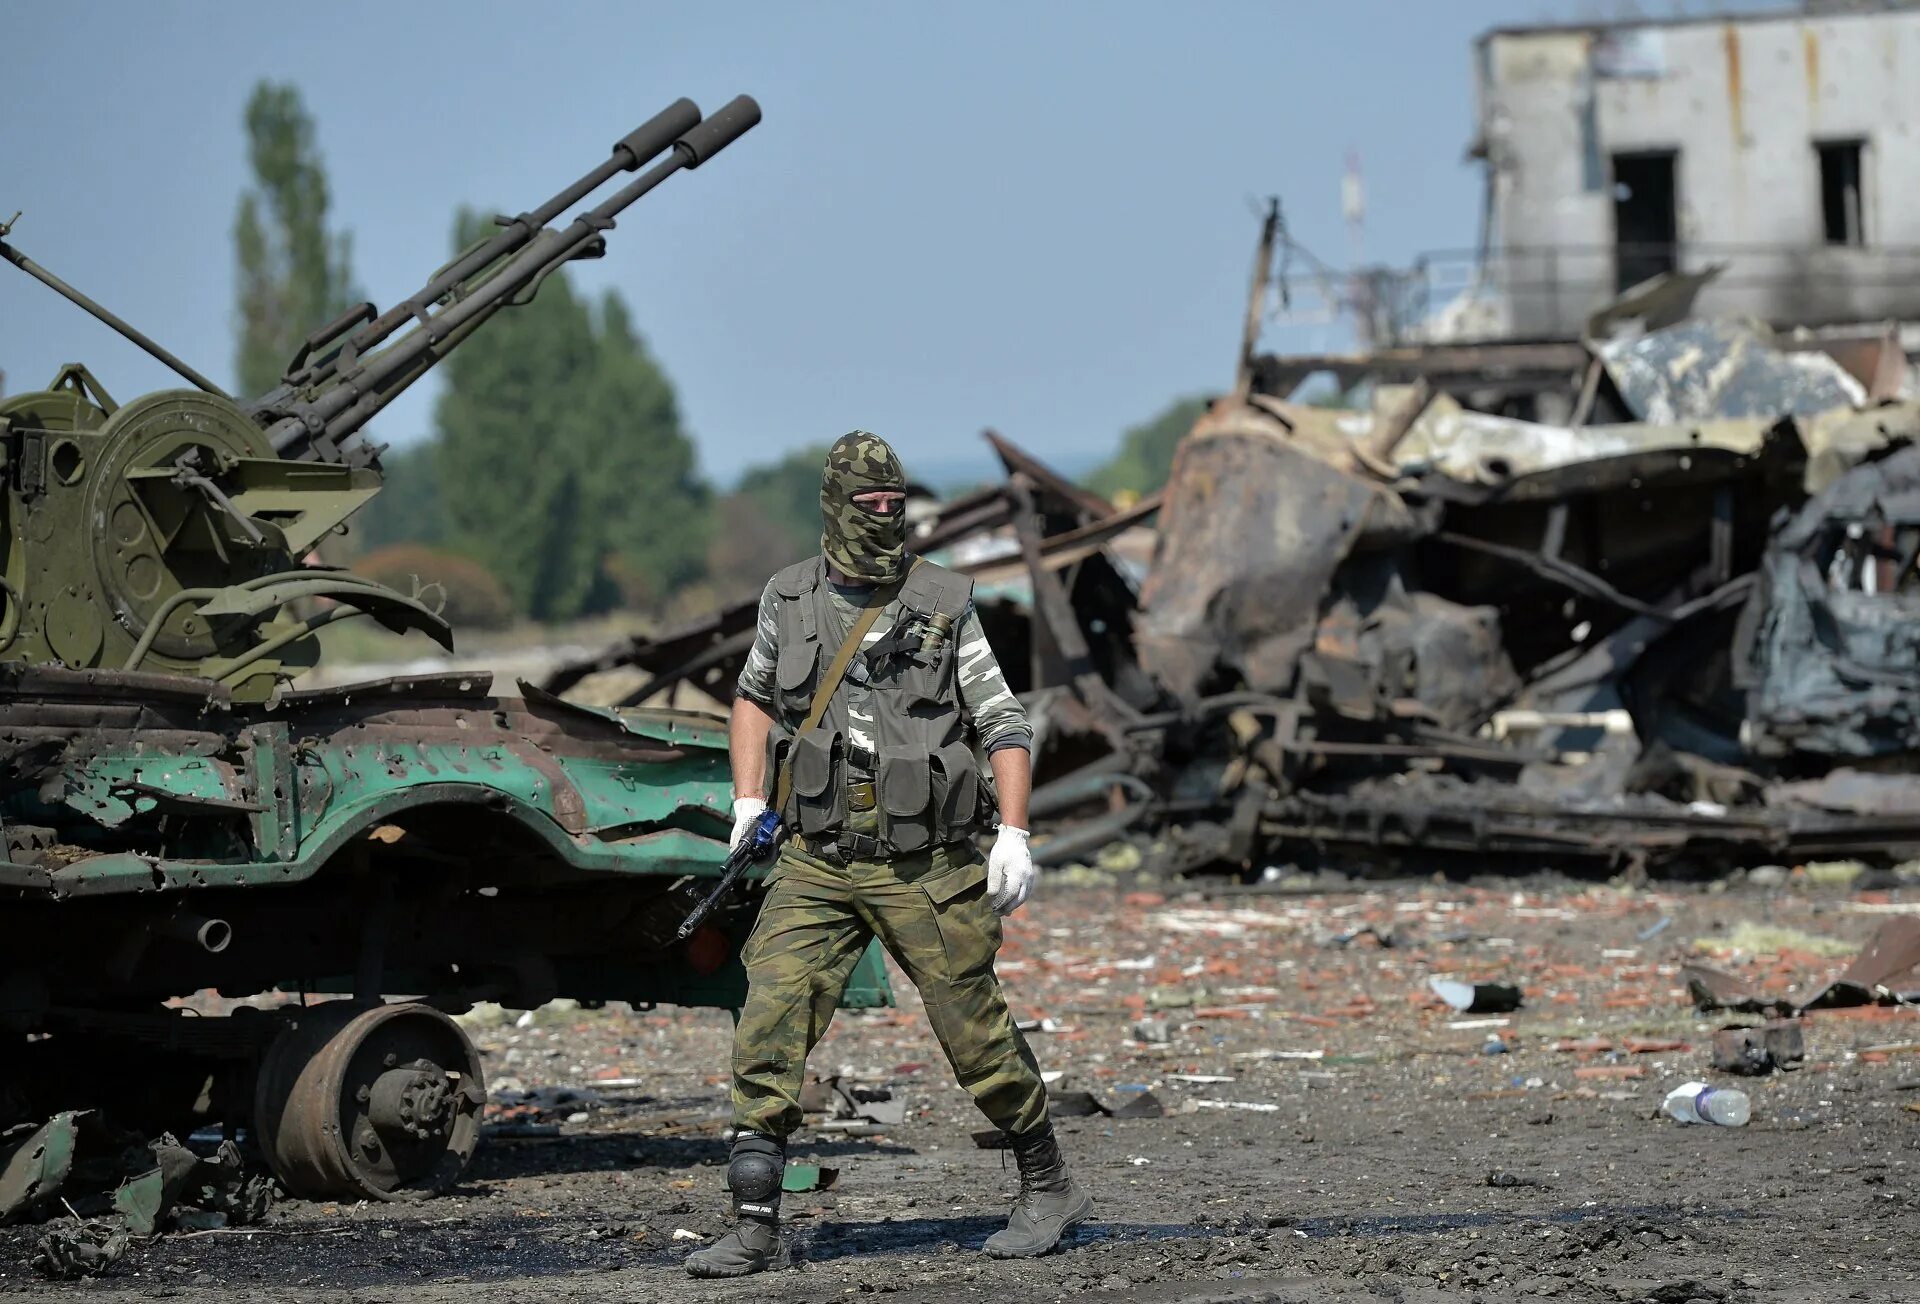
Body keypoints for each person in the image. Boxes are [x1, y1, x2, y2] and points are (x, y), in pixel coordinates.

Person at [685, 431, 1092, 1278]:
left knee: (972, 1029)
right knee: (770, 1020)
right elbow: (753, 700)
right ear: (834, 506)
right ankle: (753, 1221)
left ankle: (1048, 1185)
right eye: (867, 506)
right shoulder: (788, 599)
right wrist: (750, 801)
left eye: (893, 505)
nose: (884, 519)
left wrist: (1014, 832)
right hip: (818, 860)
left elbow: (1004, 722)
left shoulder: (944, 602)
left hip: (926, 865)